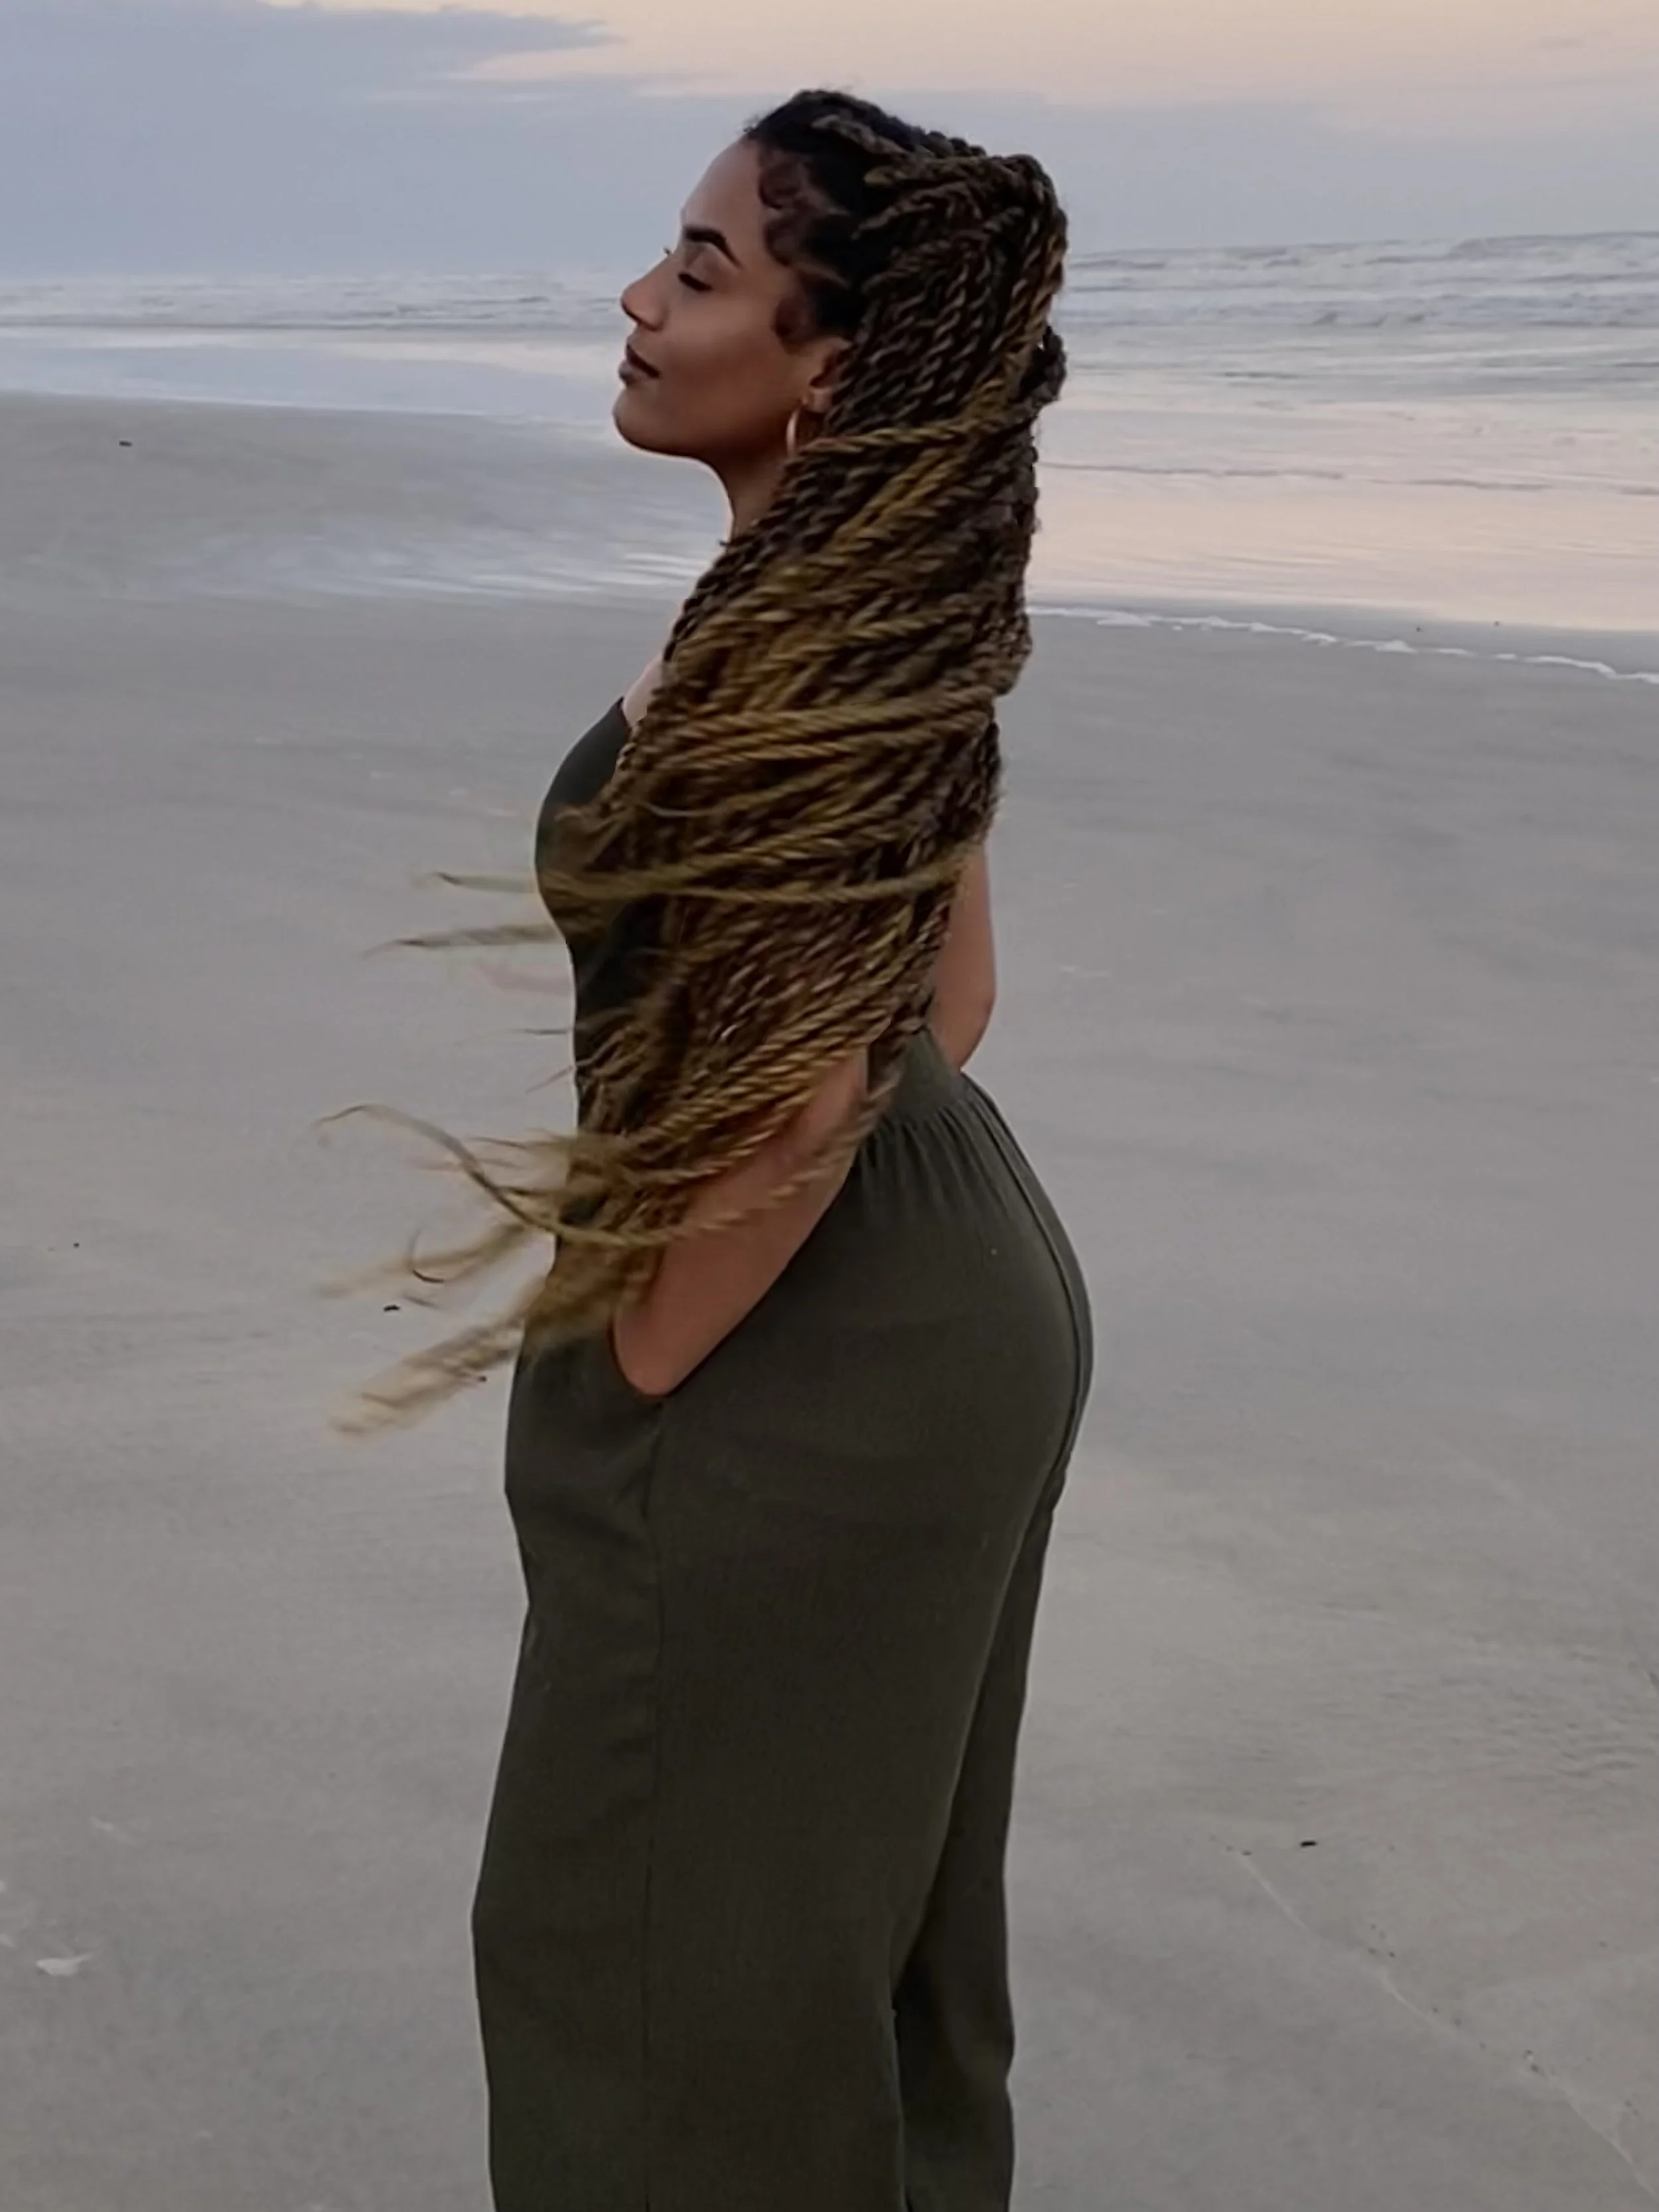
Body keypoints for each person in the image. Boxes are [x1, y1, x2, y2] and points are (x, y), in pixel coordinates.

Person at [380, 86, 1093, 2212]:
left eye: (699, 268)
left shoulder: (799, 640)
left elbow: (801, 1098)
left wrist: (639, 1377)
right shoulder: (866, 614)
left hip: (807, 1327)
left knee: (644, 1967)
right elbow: (945, 1008)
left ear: (832, 361)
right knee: (856, 1956)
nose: (637, 297)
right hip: (952, 1275)